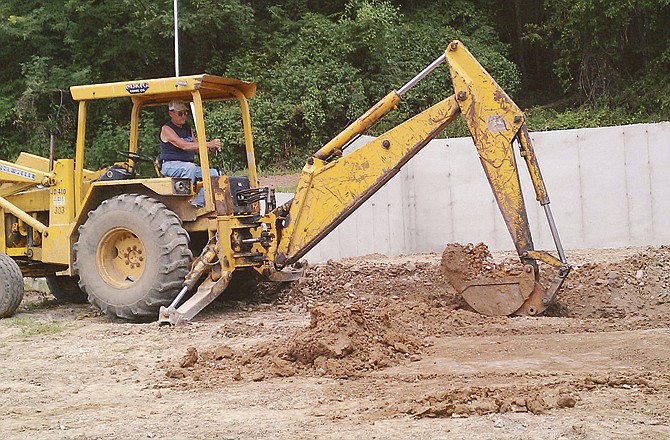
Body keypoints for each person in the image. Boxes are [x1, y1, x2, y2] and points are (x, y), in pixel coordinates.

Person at [159, 100, 221, 208]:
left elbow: (197, 148)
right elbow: (184, 145)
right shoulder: (167, 129)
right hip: (170, 165)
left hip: (188, 166)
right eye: (180, 113)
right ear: (171, 113)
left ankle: (198, 204)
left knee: (214, 174)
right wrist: (208, 143)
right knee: (189, 168)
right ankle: (184, 204)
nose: (183, 116)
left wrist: (211, 148)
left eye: (185, 113)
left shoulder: (187, 129)